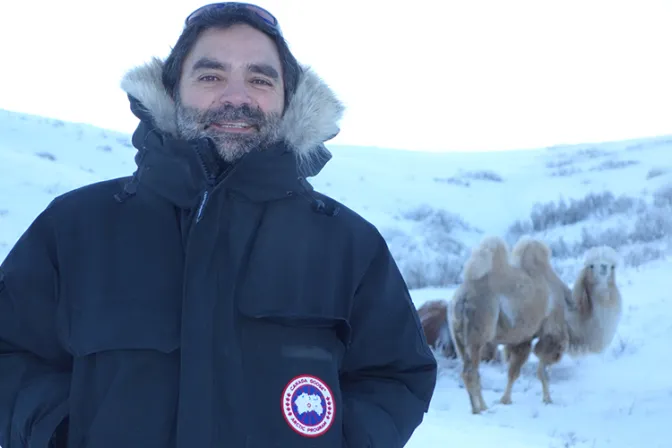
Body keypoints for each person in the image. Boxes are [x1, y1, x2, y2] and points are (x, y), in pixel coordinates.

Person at [0, 3, 438, 447]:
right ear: (172, 90)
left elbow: (396, 375)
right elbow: (10, 350)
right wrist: (56, 433)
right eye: (210, 76)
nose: (236, 97)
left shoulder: (348, 244)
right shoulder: (76, 227)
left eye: (260, 79)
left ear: (290, 99)